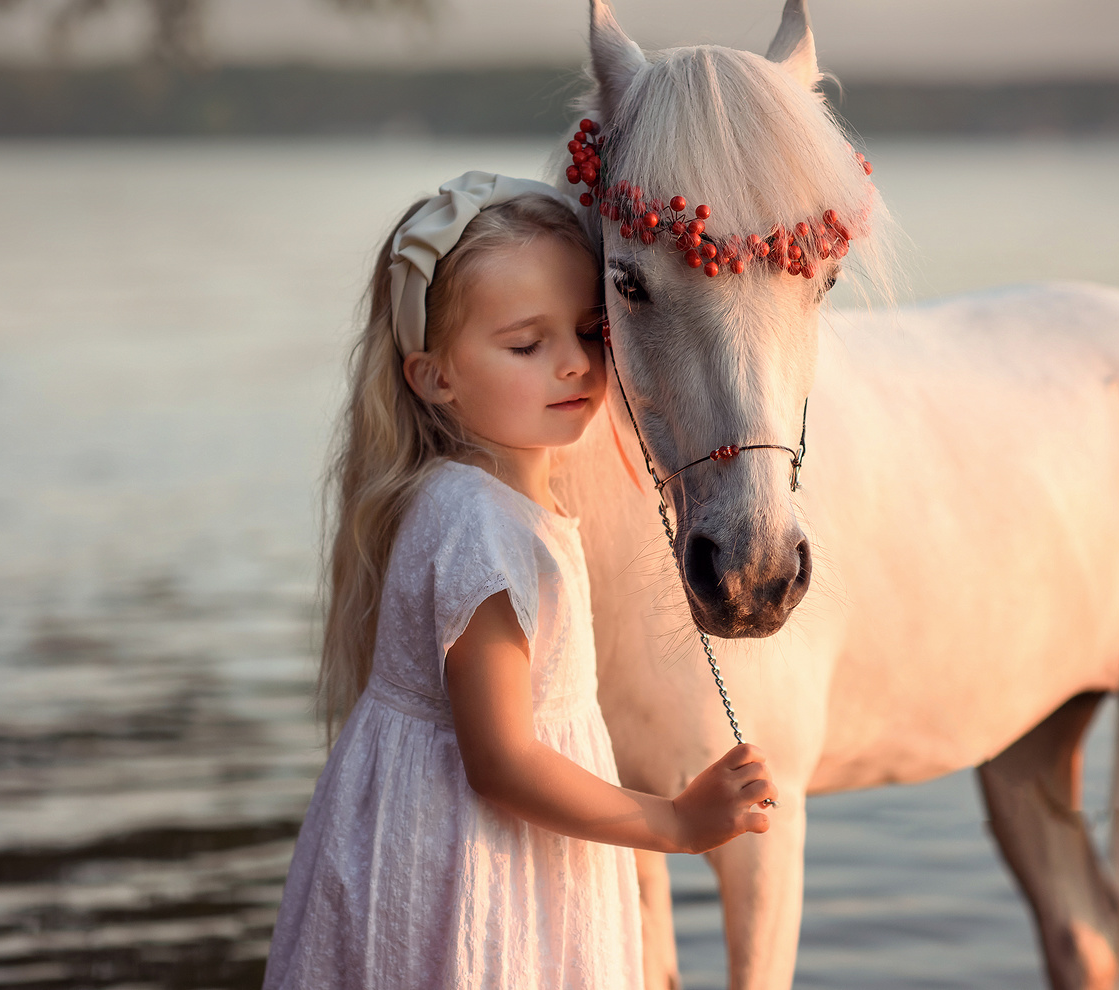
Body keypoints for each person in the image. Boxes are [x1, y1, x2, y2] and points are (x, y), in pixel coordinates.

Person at [263, 172, 777, 990]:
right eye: (527, 345)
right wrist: (675, 823)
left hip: (469, 844)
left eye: (587, 330)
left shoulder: (479, 500)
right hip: (474, 861)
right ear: (433, 377)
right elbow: (500, 759)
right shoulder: (482, 526)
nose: (574, 364)